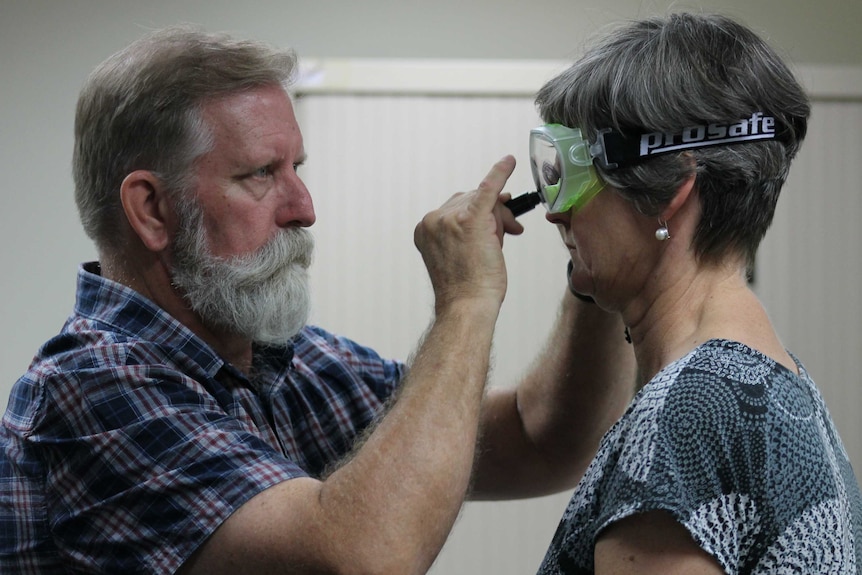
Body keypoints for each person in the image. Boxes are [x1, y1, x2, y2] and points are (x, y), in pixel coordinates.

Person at [0, 25, 636, 574]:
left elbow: (539, 440)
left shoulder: (291, 364)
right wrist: (467, 301)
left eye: (297, 170)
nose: (304, 209)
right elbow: (361, 559)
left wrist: (594, 270)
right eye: (260, 174)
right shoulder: (92, 390)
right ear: (152, 208)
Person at [523, 12, 862, 575]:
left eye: (577, 172)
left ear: (668, 191)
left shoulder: (695, 408)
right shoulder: (771, 383)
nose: (556, 209)